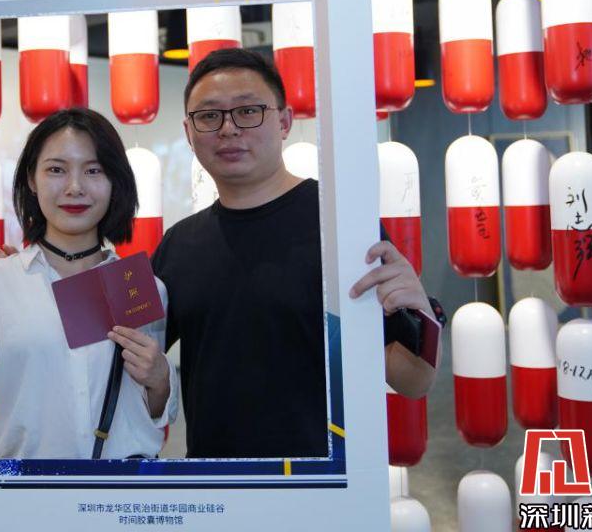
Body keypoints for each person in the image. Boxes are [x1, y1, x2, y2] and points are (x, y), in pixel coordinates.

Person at [152, 48, 439, 459]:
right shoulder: (180, 244)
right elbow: (128, 359)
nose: (229, 129)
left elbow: (413, 380)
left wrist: (420, 308)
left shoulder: (342, 228)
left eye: (248, 111)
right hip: (216, 482)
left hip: (325, 481)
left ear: (284, 121)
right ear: (189, 131)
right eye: (209, 115)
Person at [0, 108, 179, 459]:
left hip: (123, 487)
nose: (75, 187)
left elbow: (152, 413)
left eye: (93, 170)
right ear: (31, 178)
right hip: (26, 489)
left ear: (114, 181)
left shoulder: (142, 287)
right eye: (56, 170)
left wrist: (160, 378)